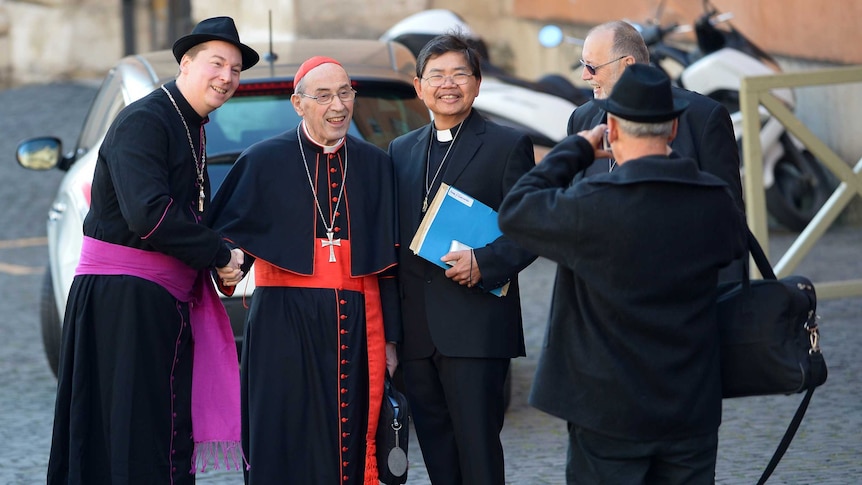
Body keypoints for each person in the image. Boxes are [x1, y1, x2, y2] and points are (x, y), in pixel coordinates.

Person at [498, 64, 747, 484]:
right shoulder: (713, 200)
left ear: (610, 127)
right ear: (672, 130)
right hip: (690, 405)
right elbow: (732, 251)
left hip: (607, 408)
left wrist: (574, 149)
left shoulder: (591, 205)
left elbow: (517, 209)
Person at [47, 16, 257, 485]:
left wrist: (222, 250)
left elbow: (192, 212)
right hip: (125, 301)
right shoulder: (146, 119)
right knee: (134, 431)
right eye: (216, 63)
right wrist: (219, 255)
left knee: (157, 428)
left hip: (154, 300)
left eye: (236, 68)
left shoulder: (190, 124)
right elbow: (150, 215)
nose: (227, 76)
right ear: (186, 63)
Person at [205, 56, 401, 484]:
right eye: (325, 95)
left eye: (346, 92)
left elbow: (388, 267)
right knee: (284, 432)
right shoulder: (263, 161)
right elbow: (234, 238)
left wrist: (390, 339)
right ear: (298, 103)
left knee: (349, 438)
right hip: (283, 321)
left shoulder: (375, 164)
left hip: (356, 324)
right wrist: (229, 268)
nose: (339, 105)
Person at [388, 33, 537, 485]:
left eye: (459, 74)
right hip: (418, 335)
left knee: (479, 456)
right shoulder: (401, 150)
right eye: (436, 75)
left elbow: (532, 229)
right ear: (418, 86)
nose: (447, 85)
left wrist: (486, 263)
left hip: (476, 329)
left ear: (477, 83)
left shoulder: (507, 144)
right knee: (436, 454)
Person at [568, 20, 743, 211]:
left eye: (592, 67)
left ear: (627, 65)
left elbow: (729, 213)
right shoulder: (581, 119)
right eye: (583, 64)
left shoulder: (704, 117)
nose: (585, 76)